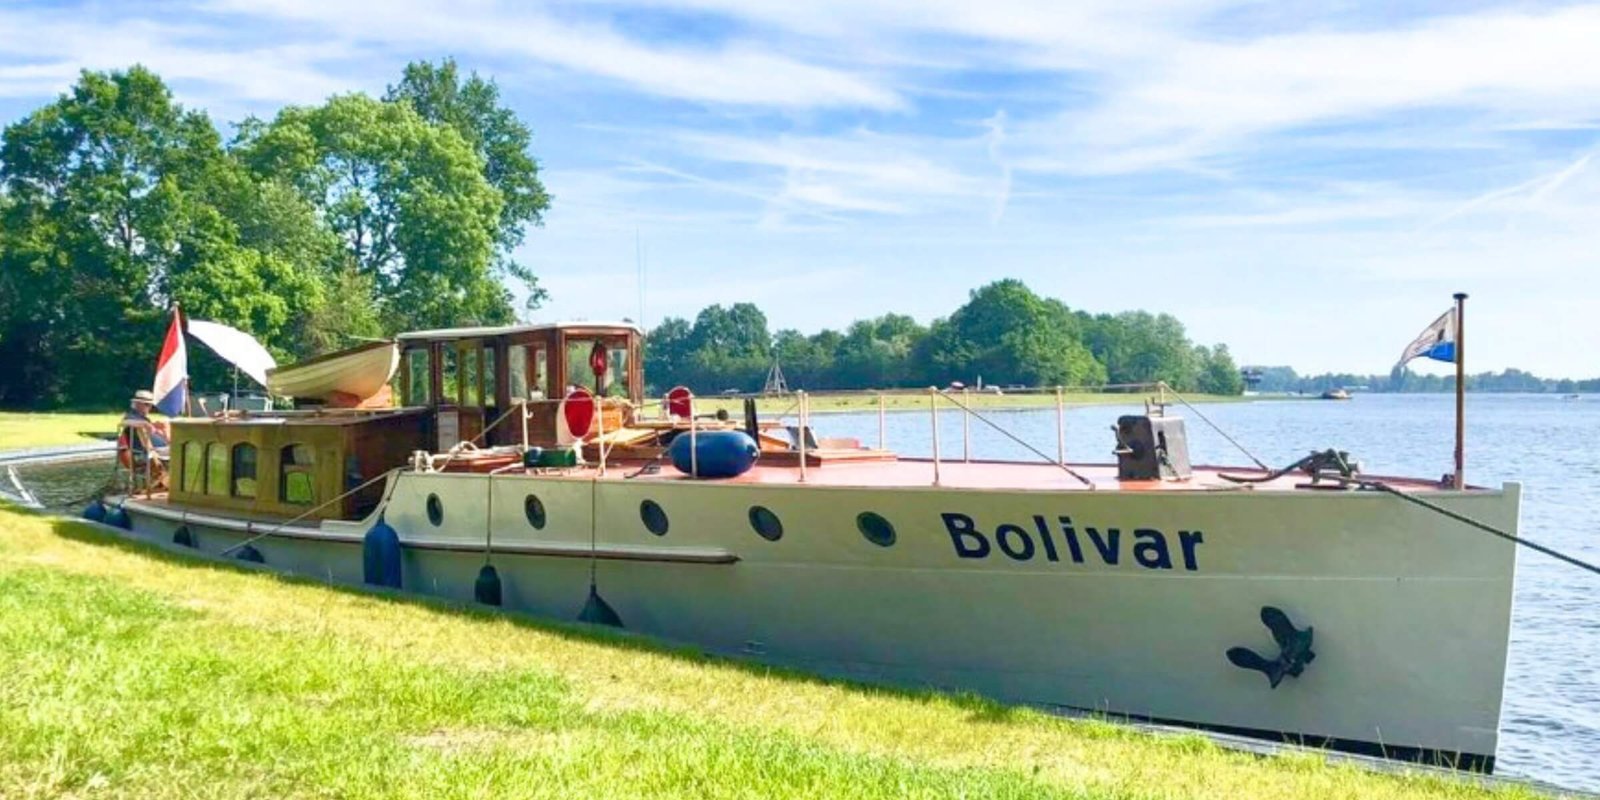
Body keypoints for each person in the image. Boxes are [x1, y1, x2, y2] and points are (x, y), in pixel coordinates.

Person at [121, 390, 170, 488]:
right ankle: (170, 483)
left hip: (158, 450)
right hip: (147, 452)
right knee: (182, 453)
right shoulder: (132, 415)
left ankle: (167, 482)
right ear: (137, 404)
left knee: (166, 424)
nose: (150, 407)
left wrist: (155, 427)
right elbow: (124, 422)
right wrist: (145, 424)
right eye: (147, 404)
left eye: (150, 405)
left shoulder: (142, 418)